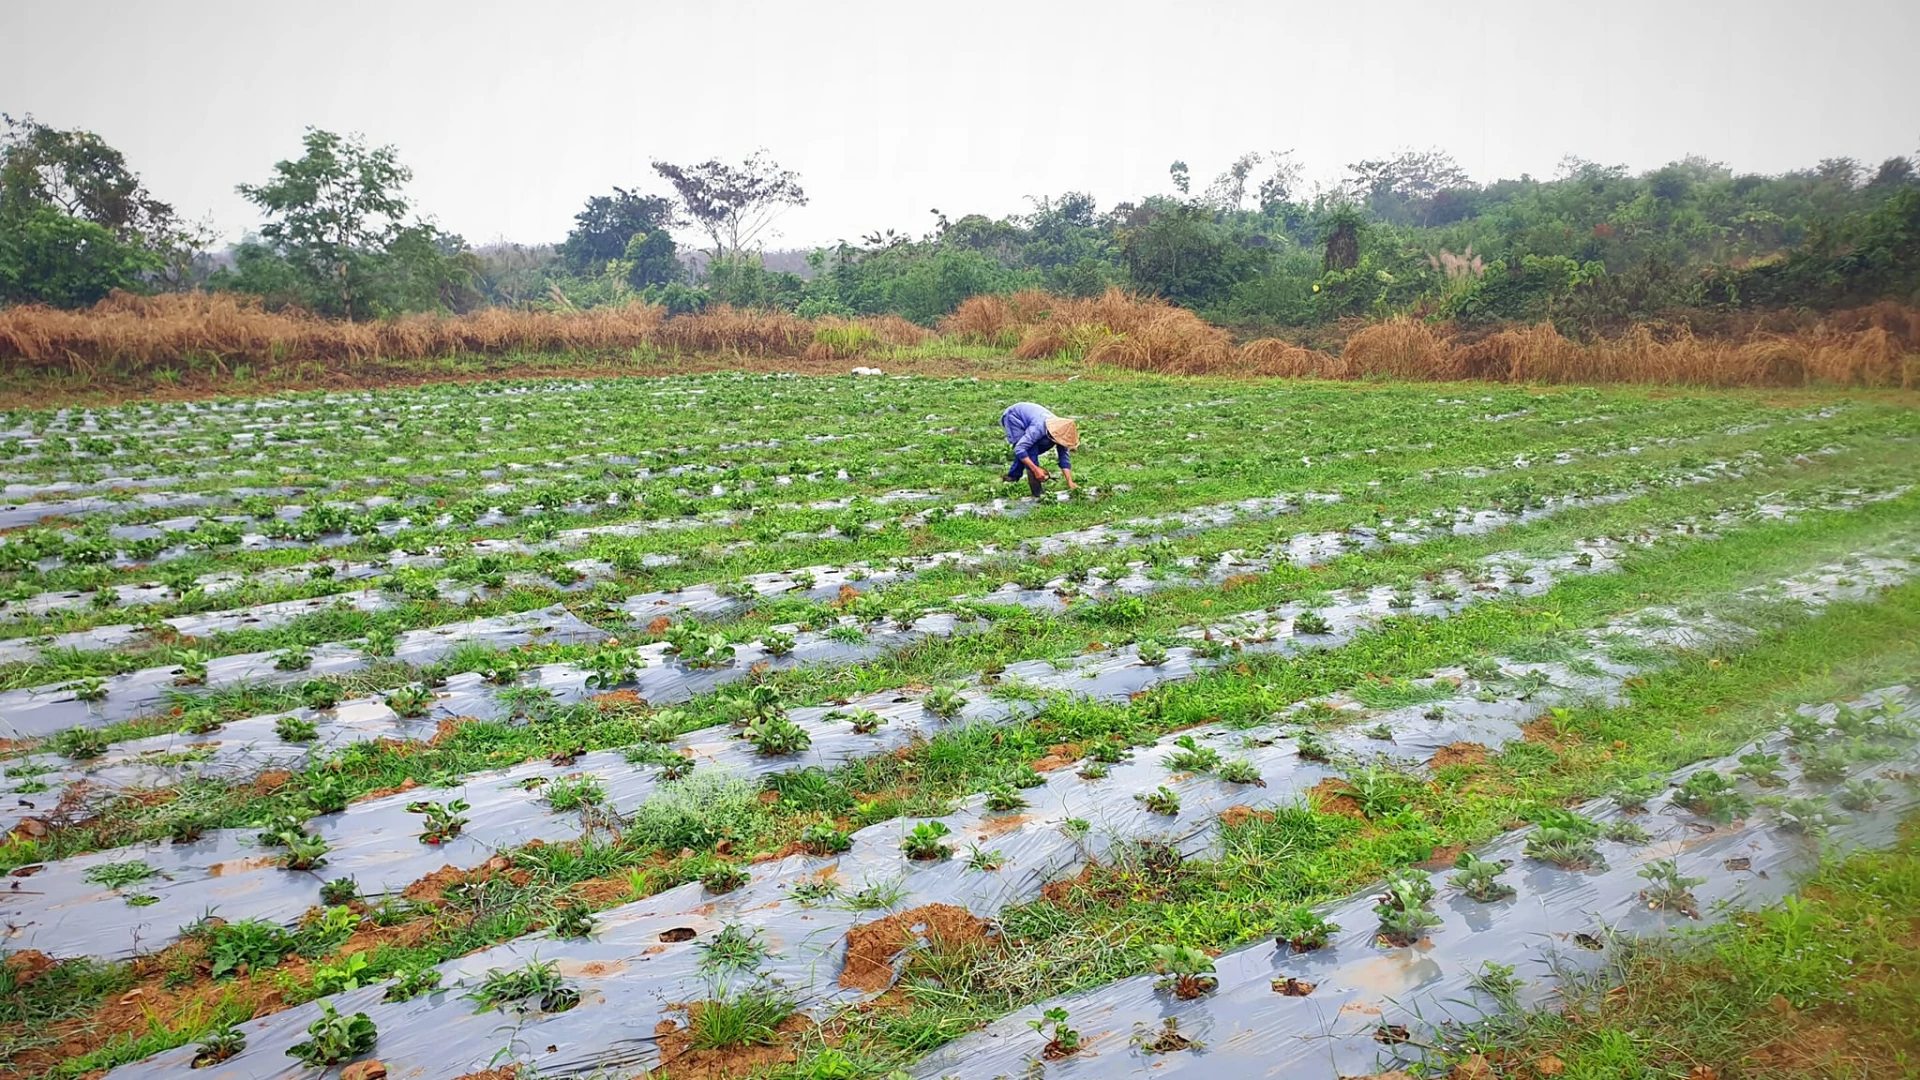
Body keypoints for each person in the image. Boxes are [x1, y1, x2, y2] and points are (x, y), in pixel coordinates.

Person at [1000, 401, 1080, 497]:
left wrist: (1070, 482)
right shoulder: (1038, 428)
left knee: (1034, 449)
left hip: (1032, 420)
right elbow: (1020, 449)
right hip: (1014, 417)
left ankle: (1011, 477)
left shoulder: (1061, 431)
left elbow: (1064, 459)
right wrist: (1036, 469)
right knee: (1030, 450)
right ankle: (1037, 492)